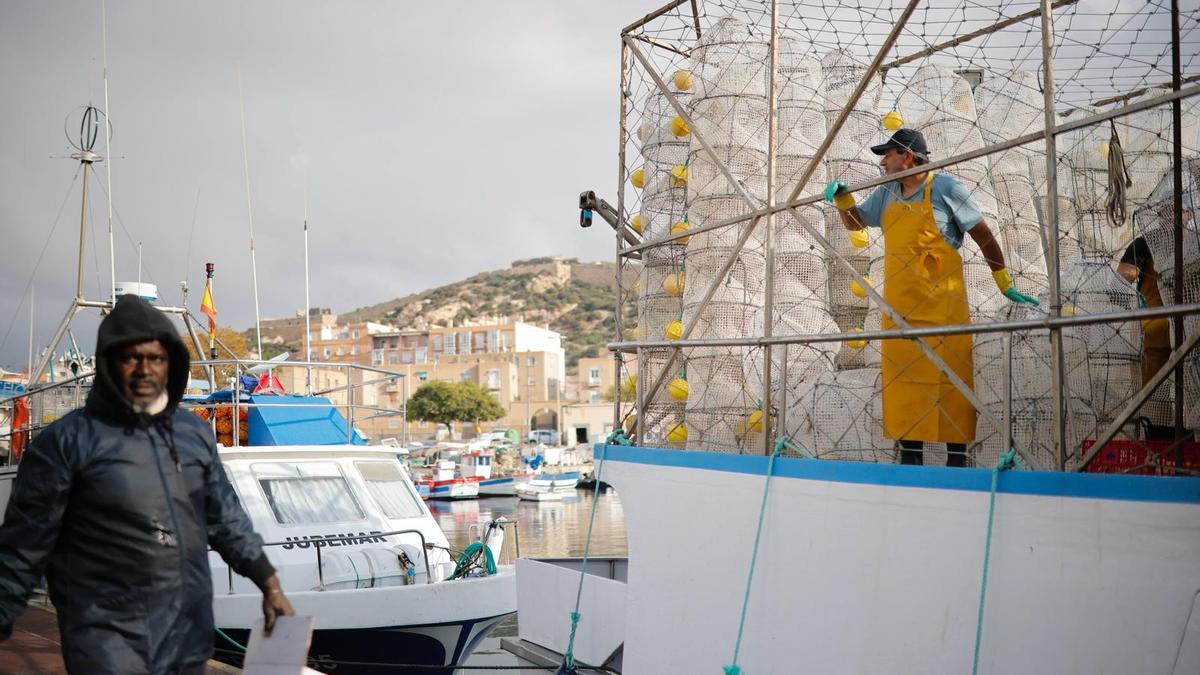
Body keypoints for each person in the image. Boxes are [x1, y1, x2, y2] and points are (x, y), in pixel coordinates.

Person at [0, 295, 294, 673]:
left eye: (155, 358)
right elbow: (22, 548)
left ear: (170, 364)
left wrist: (269, 584)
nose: (144, 369)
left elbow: (226, 518)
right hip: (106, 641)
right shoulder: (64, 443)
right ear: (108, 364)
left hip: (187, 636)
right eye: (130, 357)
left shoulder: (193, 434)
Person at [825, 128, 1037, 466]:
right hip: (900, 317)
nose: (883, 162)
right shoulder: (887, 194)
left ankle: (956, 472)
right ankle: (910, 470)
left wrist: (1003, 282)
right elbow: (856, 224)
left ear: (907, 156)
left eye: (888, 154)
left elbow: (984, 237)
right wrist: (843, 201)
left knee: (950, 394)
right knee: (906, 398)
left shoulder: (947, 188)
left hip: (943, 315)